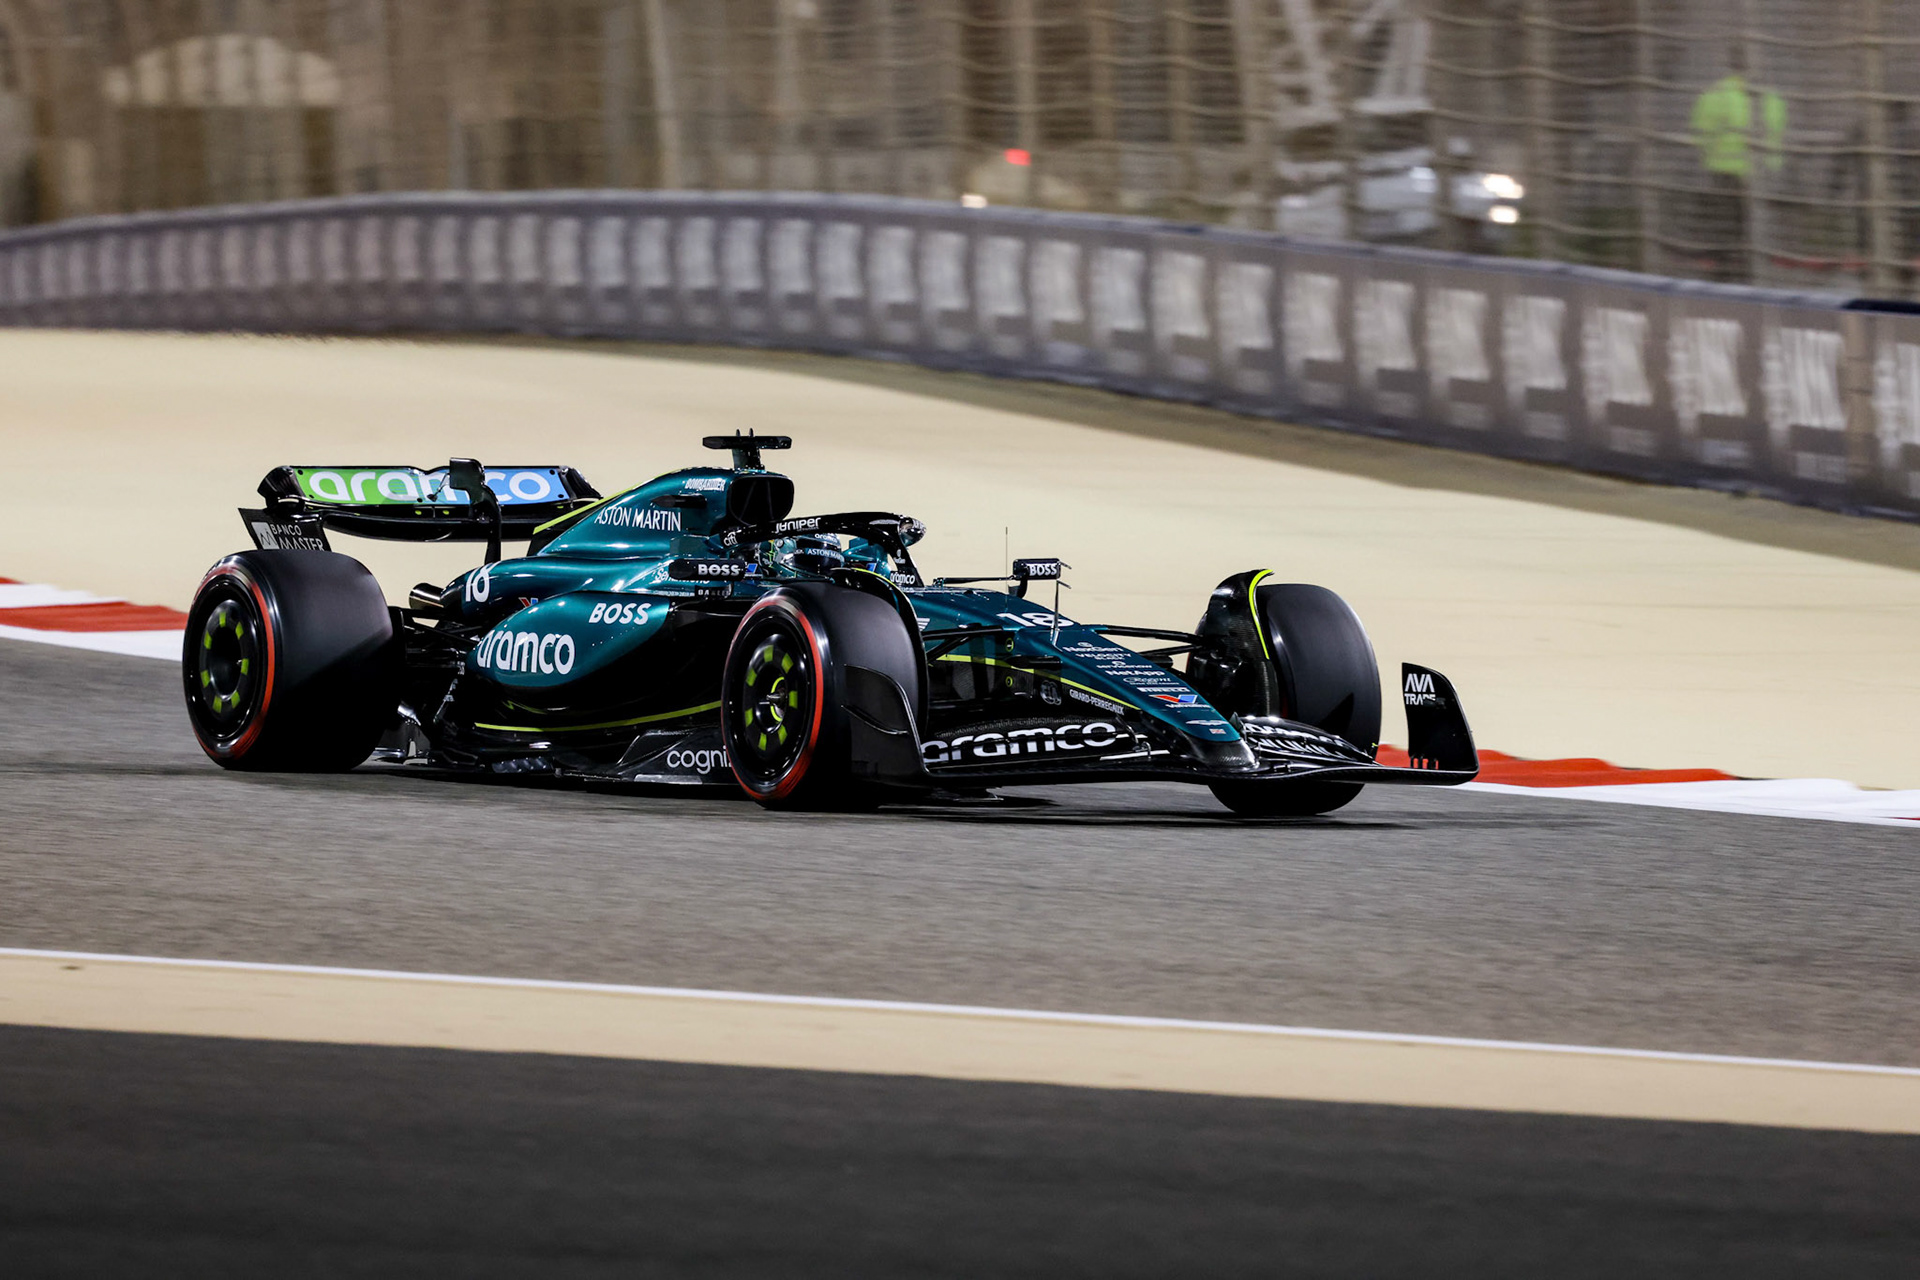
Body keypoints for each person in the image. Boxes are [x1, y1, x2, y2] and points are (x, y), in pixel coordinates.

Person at [1690, 49, 1786, 280]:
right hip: (1761, 176)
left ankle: (1722, 281)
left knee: (1724, 232)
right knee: (1754, 234)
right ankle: (1751, 279)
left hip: (1724, 172)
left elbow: (1701, 134)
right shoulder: (1771, 98)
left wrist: (1709, 157)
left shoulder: (1715, 95)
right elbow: (1777, 134)